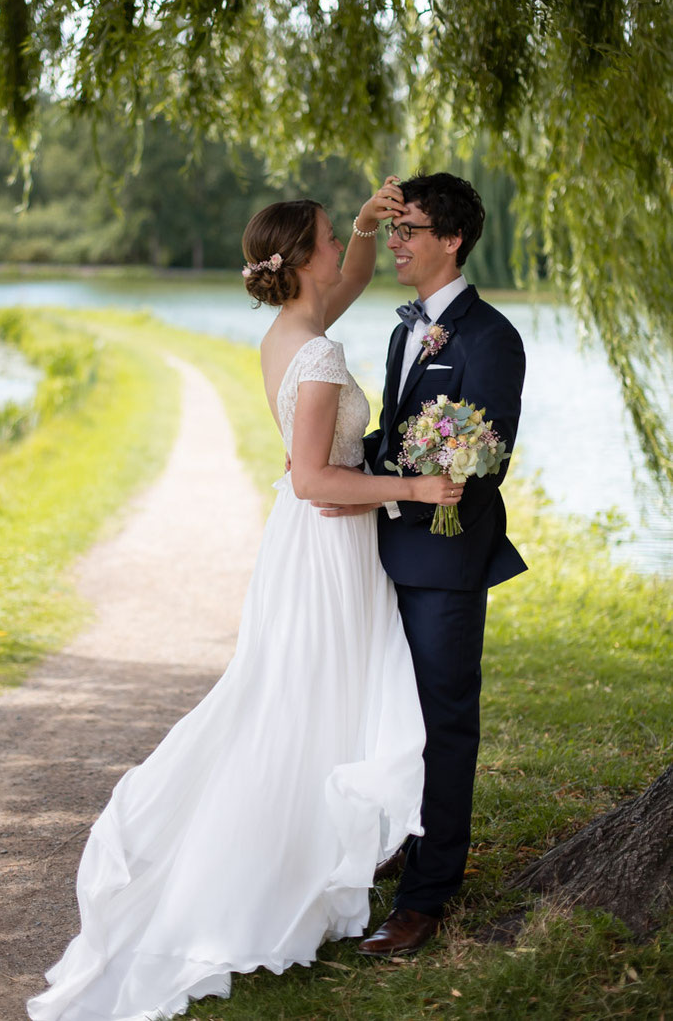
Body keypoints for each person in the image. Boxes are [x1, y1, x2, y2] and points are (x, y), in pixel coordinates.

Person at [26, 182, 463, 1021]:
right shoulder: (321, 353)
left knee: (306, 702)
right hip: (326, 546)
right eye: (333, 237)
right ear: (301, 260)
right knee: (297, 707)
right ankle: (268, 875)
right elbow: (313, 479)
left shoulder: (290, 334)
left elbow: (354, 283)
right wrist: (414, 484)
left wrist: (367, 224)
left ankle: (308, 859)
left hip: (315, 546)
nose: (344, 248)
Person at [315, 172, 526, 957]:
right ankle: (402, 834)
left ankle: (426, 896)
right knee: (390, 714)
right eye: (392, 230)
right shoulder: (407, 331)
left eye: (409, 230)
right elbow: (400, 431)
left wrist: (408, 487)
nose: (396, 243)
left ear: (453, 239)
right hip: (384, 551)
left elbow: (486, 458)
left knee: (445, 725)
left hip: (444, 557)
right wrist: (345, 472)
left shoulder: (491, 336)